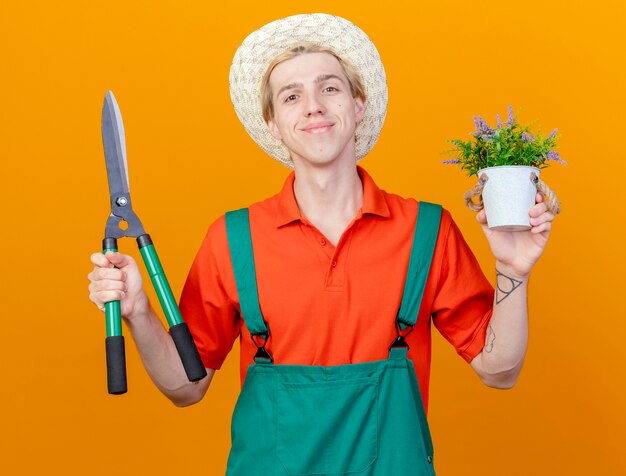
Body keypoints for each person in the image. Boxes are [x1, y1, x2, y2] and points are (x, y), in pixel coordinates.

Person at [88, 13, 555, 474]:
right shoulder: (233, 240)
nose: (313, 106)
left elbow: (500, 370)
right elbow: (186, 388)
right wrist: (140, 313)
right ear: (273, 125)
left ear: (358, 104)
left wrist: (513, 271)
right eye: (291, 96)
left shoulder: (426, 231)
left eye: (329, 88)